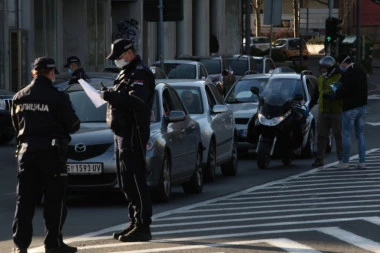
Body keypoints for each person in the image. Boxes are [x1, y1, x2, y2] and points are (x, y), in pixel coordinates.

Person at [11, 57, 80, 253]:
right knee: (55, 200)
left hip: (26, 152)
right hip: (51, 154)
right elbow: (73, 125)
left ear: (34, 73)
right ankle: (53, 244)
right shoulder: (57, 97)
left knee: (24, 201)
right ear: (51, 73)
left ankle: (20, 246)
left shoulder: (19, 96)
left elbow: (16, 126)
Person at [100, 39, 155, 242]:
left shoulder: (140, 73)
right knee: (125, 182)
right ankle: (134, 221)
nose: (117, 61)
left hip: (134, 133)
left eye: (119, 57)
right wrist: (112, 94)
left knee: (135, 179)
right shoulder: (127, 73)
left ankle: (143, 226)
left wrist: (110, 96)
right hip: (121, 132)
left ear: (129, 53)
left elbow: (137, 101)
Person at [334, 54, 368, 169]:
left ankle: (345, 162)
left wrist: (335, 94)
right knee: (361, 135)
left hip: (349, 108)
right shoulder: (361, 71)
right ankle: (362, 161)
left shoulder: (348, 74)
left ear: (343, 63)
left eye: (339, 65)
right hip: (362, 107)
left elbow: (344, 90)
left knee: (346, 134)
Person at [308, 55, 343, 167]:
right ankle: (320, 159)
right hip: (323, 111)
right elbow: (316, 94)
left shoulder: (339, 77)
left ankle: (341, 159)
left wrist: (334, 96)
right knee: (322, 136)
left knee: (338, 136)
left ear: (331, 68)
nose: (322, 70)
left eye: (324, 68)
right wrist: (310, 106)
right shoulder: (321, 79)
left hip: (336, 111)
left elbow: (341, 92)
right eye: (321, 68)